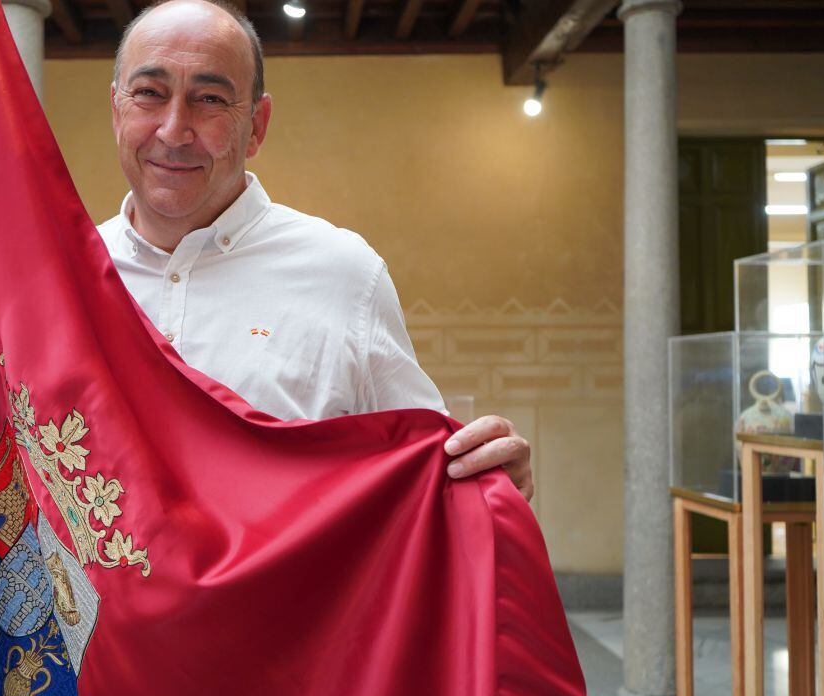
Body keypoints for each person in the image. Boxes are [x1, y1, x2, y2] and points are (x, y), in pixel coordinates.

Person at [96, 0, 534, 500]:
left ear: (257, 125)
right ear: (117, 109)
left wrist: (491, 480)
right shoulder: (66, 274)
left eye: (211, 99)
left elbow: (431, 478)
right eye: (149, 93)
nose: (174, 130)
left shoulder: (345, 274)